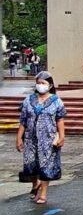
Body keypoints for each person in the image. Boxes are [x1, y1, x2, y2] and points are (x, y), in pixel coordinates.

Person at [16, 71, 65, 205]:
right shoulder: (28, 100)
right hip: (30, 139)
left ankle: (43, 194)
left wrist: (61, 136)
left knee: (46, 166)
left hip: (47, 140)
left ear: (50, 85)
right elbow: (23, 120)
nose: (40, 86)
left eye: (43, 83)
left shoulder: (56, 101)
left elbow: (60, 120)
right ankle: (35, 184)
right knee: (30, 166)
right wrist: (19, 138)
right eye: (38, 83)